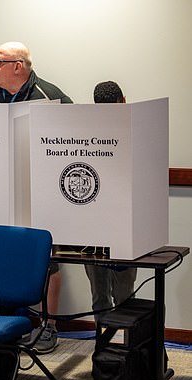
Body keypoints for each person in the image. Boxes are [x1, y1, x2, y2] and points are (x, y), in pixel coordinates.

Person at [0, 41, 72, 354]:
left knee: (50, 262)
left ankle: (49, 326)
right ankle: (8, 322)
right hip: (2, 193)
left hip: (43, 195)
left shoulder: (51, 97)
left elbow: (70, 145)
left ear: (17, 66)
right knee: (6, 258)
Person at [85, 81, 136, 323]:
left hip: (101, 227)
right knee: (121, 296)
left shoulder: (84, 134)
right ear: (124, 100)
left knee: (104, 297)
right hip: (113, 226)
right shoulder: (136, 131)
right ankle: (114, 354)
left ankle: (107, 352)